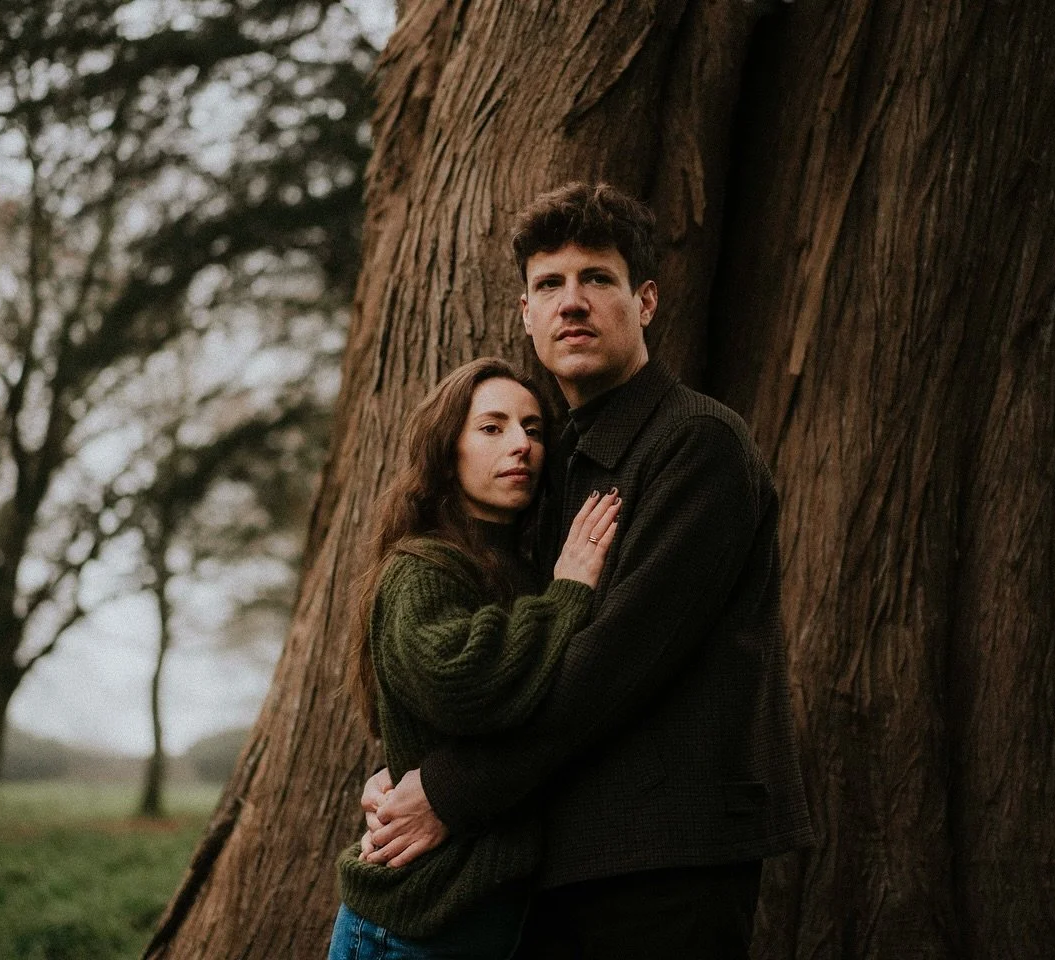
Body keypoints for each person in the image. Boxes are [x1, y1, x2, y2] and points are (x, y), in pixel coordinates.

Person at [360, 183, 815, 959]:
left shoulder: (696, 446)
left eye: (596, 279)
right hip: (557, 862)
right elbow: (506, 652)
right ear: (527, 313)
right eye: (550, 285)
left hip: (665, 861)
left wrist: (448, 791)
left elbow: (610, 665)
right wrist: (404, 770)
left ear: (645, 301)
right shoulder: (548, 462)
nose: (572, 302)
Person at [329, 357, 622, 960]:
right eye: (492, 428)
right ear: (447, 450)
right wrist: (567, 593)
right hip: (413, 925)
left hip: (490, 921)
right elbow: (464, 682)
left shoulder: (516, 567)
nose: (521, 445)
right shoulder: (423, 567)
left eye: (534, 429)